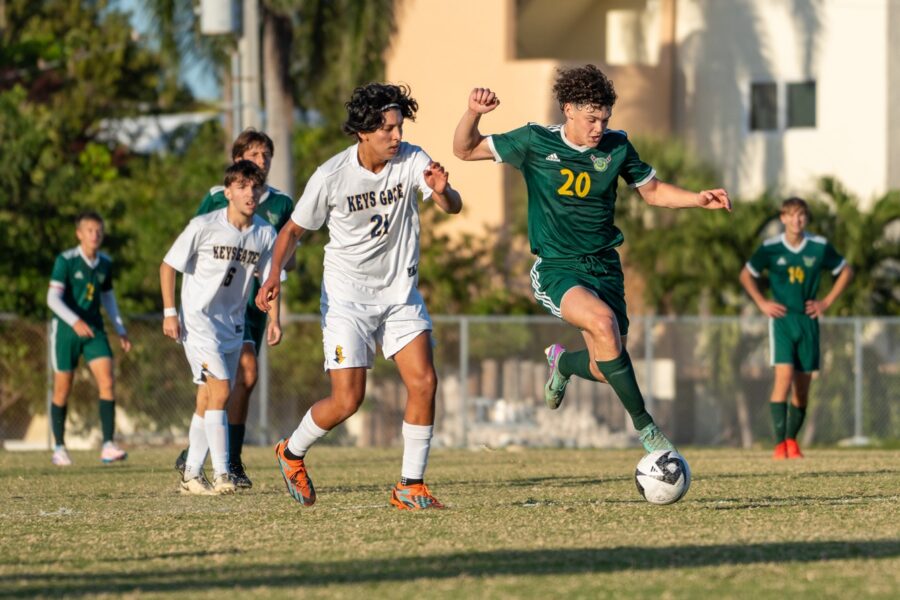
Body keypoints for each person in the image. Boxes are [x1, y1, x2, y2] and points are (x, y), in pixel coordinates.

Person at [452, 65, 731, 453]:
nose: (598, 127)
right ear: (568, 109)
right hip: (558, 267)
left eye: (604, 118)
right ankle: (649, 431)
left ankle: (563, 364)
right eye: (591, 118)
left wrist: (697, 198)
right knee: (603, 323)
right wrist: (473, 113)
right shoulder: (533, 141)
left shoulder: (616, 147)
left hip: (604, 268)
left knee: (605, 365)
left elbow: (652, 192)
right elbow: (464, 150)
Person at [256, 82, 463, 510]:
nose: (397, 137)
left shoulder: (412, 160)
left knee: (424, 381)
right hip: (347, 298)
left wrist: (442, 191)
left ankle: (410, 486)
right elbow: (292, 231)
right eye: (387, 129)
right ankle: (291, 452)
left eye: (399, 127)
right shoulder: (331, 175)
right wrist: (272, 274)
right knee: (348, 400)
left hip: (400, 295)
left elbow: (451, 205)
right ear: (362, 132)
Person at [174, 129, 295, 489]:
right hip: (211, 308)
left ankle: (214, 462)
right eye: (253, 155)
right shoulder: (216, 198)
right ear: (237, 160)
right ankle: (222, 466)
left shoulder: (280, 204)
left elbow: (281, 261)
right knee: (229, 382)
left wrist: (275, 313)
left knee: (238, 381)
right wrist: (175, 309)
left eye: (266, 156)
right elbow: (196, 247)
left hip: (250, 305)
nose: (261, 162)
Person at [740, 197, 852, 459]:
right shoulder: (770, 248)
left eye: (801, 215)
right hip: (782, 320)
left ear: (806, 218)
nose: (796, 220)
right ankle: (780, 445)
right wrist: (762, 302)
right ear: (783, 218)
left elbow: (845, 271)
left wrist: (826, 302)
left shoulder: (819, 247)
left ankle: (792, 440)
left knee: (802, 389)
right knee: (784, 378)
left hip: (808, 321)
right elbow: (746, 274)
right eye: (790, 215)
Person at [46, 211, 132, 466]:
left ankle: (107, 445)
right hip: (65, 331)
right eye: (90, 230)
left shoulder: (105, 263)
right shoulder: (66, 260)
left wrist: (120, 328)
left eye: (99, 231)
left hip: (94, 330)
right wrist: (75, 320)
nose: (95, 235)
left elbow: (108, 298)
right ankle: (59, 447)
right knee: (63, 388)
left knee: (107, 380)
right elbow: (52, 299)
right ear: (79, 233)